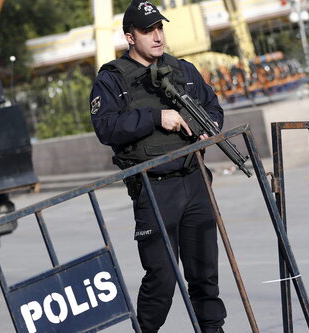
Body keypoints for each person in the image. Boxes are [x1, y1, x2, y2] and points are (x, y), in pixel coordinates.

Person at [89, 1, 226, 332]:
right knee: (161, 279)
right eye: (147, 30)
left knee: (205, 273)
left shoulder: (183, 70)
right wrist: (155, 117)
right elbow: (106, 127)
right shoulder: (112, 79)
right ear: (129, 37)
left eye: (159, 28)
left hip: (195, 181)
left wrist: (209, 126)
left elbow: (213, 106)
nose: (157, 36)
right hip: (154, 187)